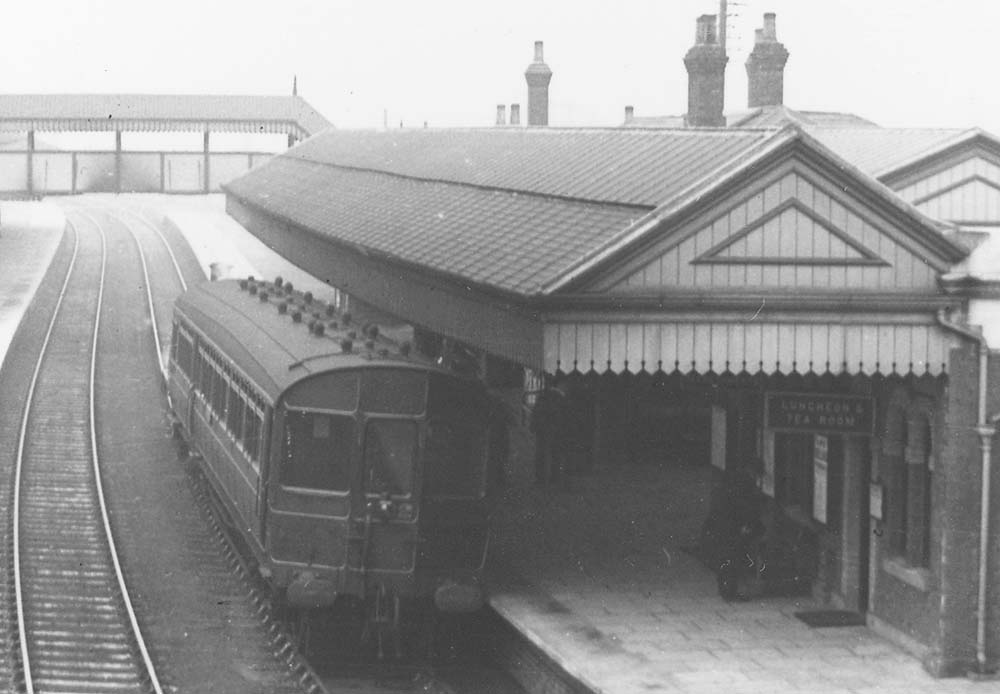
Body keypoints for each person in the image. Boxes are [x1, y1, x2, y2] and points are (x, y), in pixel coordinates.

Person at [705, 459, 766, 601]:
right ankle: (730, 592)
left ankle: (724, 589)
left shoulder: (734, 478)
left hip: (722, 524)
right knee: (733, 558)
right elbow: (745, 507)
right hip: (733, 527)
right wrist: (746, 525)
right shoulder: (746, 483)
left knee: (725, 558)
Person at [529, 380, 569, 486]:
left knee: (541, 454)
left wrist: (533, 425)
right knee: (555, 453)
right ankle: (554, 478)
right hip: (556, 428)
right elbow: (564, 414)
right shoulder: (560, 396)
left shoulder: (543, 396)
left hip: (543, 429)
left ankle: (540, 479)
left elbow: (536, 412)